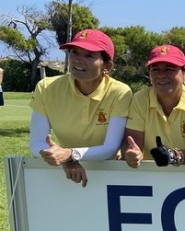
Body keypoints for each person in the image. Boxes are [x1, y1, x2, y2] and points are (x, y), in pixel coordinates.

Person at [28, 29, 132, 187]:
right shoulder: (46, 87)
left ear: (107, 65)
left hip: (110, 171)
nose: (77, 60)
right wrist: (60, 157)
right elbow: (37, 142)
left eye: (89, 55)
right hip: (70, 173)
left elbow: (111, 148)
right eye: (74, 52)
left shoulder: (120, 92)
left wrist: (70, 155)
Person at [123, 45, 185, 168]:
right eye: (155, 69)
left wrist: (173, 156)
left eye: (169, 69)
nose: (161, 75)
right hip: (151, 178)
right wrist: (133, 154)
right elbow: (133, 146)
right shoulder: (140, 99)